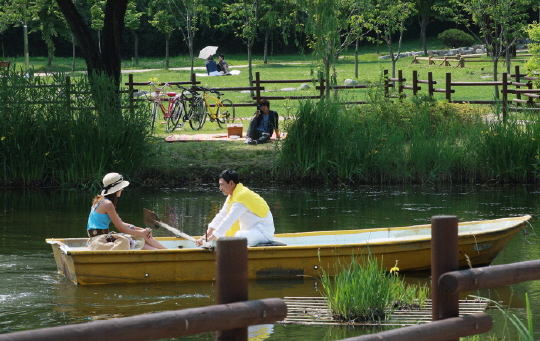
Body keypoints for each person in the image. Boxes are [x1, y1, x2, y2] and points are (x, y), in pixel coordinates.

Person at [87, 172, 167, 250]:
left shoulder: (100, 201)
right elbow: (121, 228)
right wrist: (142, 233)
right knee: (137, 241)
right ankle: (164, 253)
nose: (123, 188)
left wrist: (141, 230)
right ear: (116, 189)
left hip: (101, 237)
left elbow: (121, 223)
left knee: (142, 236)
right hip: (100, 241)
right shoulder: (107, 204)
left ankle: (166, 251)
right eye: (121, 187)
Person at [195, 169, 275, 247]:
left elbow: (229, 219)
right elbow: (221, 216)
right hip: (250, 232)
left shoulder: (242, 196)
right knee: (222, 235)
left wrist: (211, 238)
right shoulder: (232, 196)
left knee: (237, 236)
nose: (220, 188)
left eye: (222, 184)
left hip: (263, 233)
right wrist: (205, 236)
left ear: (231, 183)